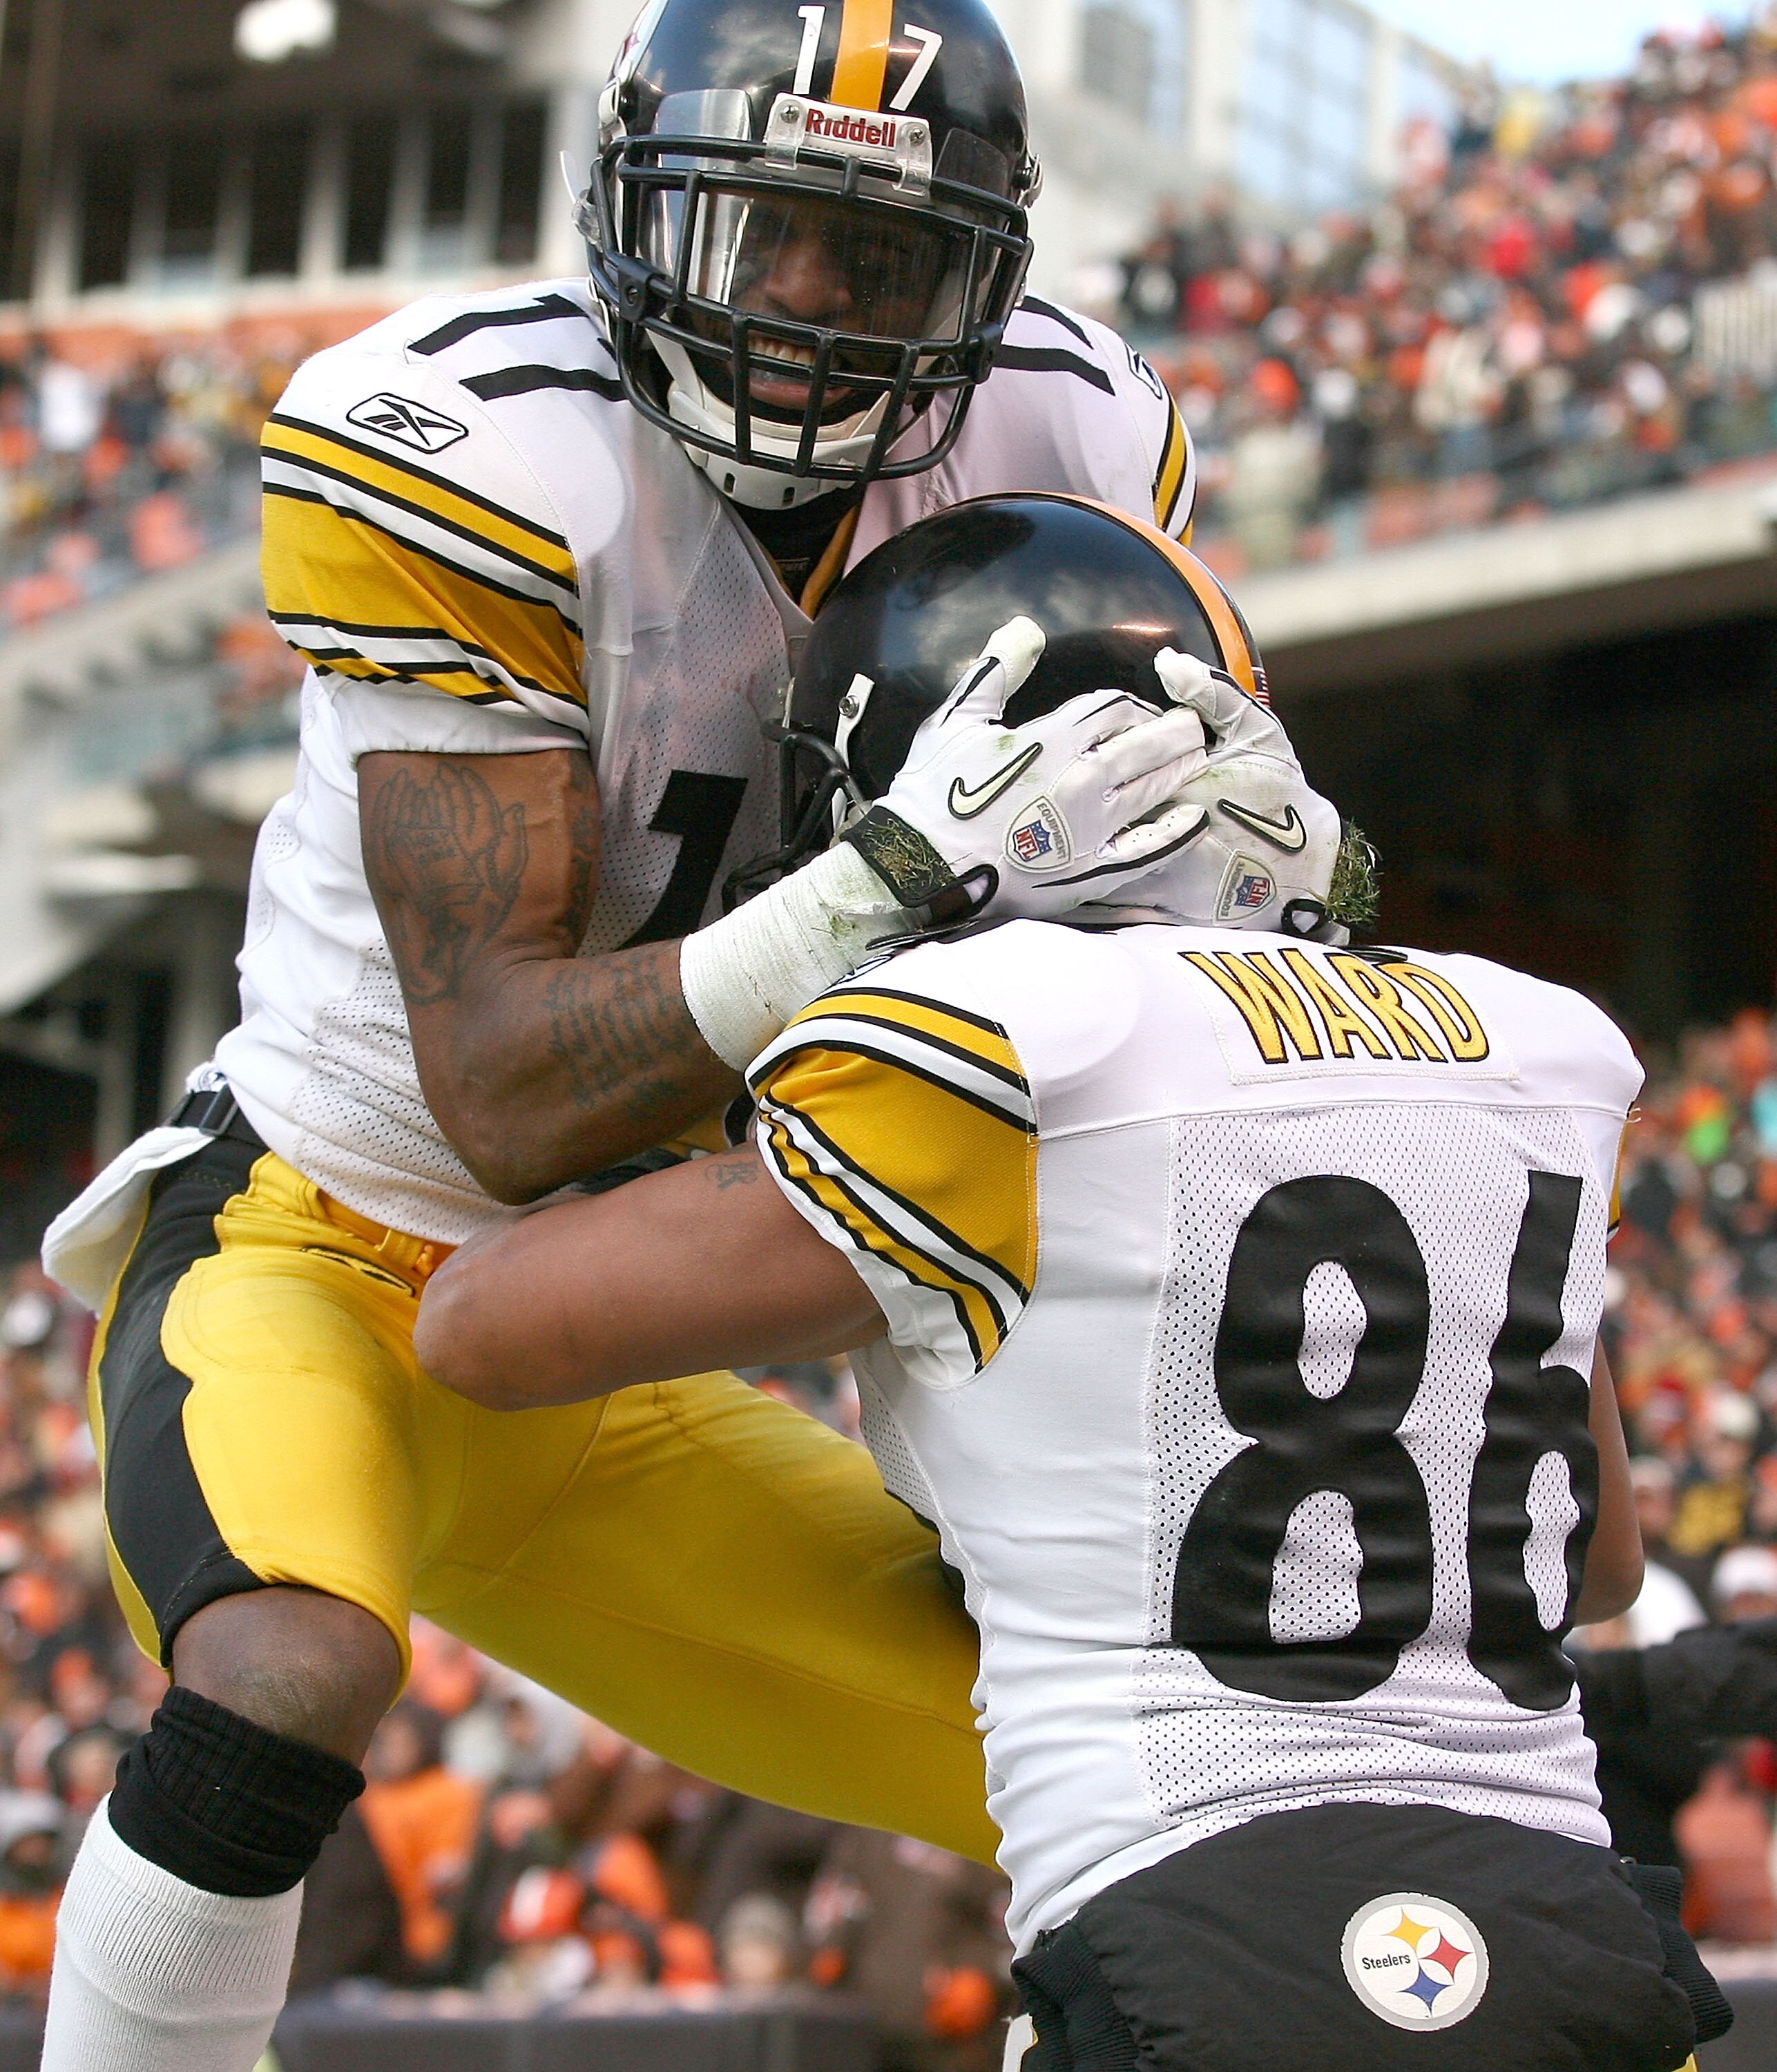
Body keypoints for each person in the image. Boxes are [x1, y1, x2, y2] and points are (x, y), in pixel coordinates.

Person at [33, 0, 1326, 2062]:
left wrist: (1282, 887)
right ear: (634, 209)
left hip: (625, 1336)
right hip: (323, 1245)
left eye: (877, 252)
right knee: (282, 1676)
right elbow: (504, 1094)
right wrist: (883, 885)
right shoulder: (475, 443)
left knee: (1136, 1781)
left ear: (981, 278)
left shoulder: (1069, 434)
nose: (807, 303)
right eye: (759, 230)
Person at [419, 497, 1726, 2070]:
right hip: (1570, 1929)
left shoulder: (1009, 1042)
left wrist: (846, 911)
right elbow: (1597, 1565)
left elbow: (475, 1330)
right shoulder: (1535, 1041)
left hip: (1201, 1930)